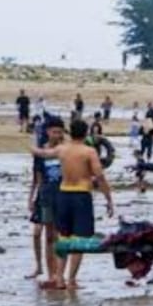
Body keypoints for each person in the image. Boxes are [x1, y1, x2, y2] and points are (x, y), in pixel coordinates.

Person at [35, 119, 114, 289]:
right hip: (80, 195)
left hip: (63, 194)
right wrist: (109, 199)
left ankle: (59, 278)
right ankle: (71, 279)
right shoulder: (89, 152)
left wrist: (31, 147)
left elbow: (43, 154)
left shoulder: (62, 149)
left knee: (63, 237)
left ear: (69, 133)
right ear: (86, 134)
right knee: (80, 239)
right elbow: (100, 176)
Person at [28, 116, 65, 287]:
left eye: (59, 131)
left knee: (60, 236)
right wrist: (32, 198)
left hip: (63, 196)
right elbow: (37, 178)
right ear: (48, 132)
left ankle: (59, 273)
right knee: (49, 236)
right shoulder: (41, 153)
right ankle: (50, 273)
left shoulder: (66, 150)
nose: (56, 135)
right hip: (46, 196)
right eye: (54, 131)